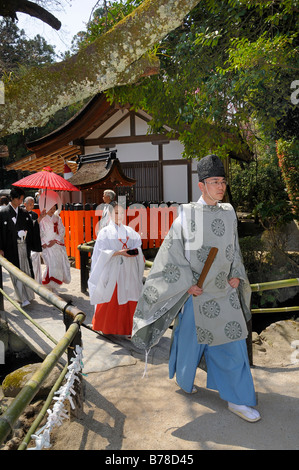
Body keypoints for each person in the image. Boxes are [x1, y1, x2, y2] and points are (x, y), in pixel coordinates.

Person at [131, 154, 261, 423]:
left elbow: (233, 249)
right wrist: (186, 284)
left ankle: (237, 399)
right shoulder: (186, 216)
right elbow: (172, 255)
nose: (221, 187)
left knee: (233, 342)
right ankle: (184, 376)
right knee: (190, 340)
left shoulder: (229, 212)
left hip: (224, 291)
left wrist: (236, 274)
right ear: (201, 185)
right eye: (215, 181)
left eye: (223, 181)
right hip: (198, 293)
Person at [88, 201, 145, 336]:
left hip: (129, 270)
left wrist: (134, 251)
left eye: (122, 213)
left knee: (132, 296)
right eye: (116, 213)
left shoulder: (130, 231)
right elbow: (101, 252)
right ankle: (107, 328)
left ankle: (129, 328)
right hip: (113, 270)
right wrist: (119, 253)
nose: (119, 216)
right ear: (110, 214)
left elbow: (138, 245)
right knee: (111, 297)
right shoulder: (105, 232)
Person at [0, 187, 45, 307]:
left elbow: (31, 226)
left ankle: (28, 295)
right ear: (13, 198)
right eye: (20, 199)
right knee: (15, 272)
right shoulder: (3, 212)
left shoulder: (24, 213)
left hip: (23, 247)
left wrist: (40, 218)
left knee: (25, 270)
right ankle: (22, 297)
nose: (21, 201)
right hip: (11, 247)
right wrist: (0, 248)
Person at [38, 190, 71, 293]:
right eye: (50, 208)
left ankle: (54, 286)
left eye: (54, 208)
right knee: (49, 265)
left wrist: (56, 240)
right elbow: (40, 232)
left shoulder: (58, 218)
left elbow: (62, 230)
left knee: (57, 265)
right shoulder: (42, 219)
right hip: (47, 245)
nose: (52, 211)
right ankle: (47, 284)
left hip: (56, 244)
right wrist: (44, 243)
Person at [24, 196, 42, 284]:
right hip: (24, 240)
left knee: (34, 259)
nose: (31, 206)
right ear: (25, 204)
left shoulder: (35, 214)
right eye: (30, 204)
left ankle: (36, 277)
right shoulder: (21, 213)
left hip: (32, 239)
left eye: (32, 204)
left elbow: (36, 227)